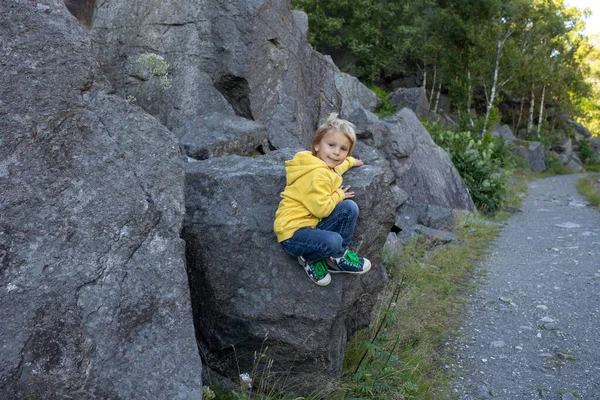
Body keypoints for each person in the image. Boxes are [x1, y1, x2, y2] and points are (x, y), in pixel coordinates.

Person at [273, 113, 371, 286]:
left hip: (311, 225)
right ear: (317, 144)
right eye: (331, 145)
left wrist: (351, 162)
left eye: (343, 149)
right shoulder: (317, 174)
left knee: (349, 207)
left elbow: (336, 167)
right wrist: (338, 194)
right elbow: (322, 210)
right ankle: (310, 258)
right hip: (293, 234)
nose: (336, 152)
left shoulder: (317, 163)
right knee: (334, 240)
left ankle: (337, 258)